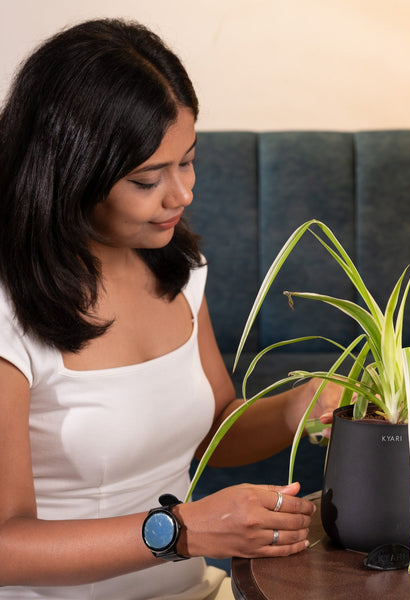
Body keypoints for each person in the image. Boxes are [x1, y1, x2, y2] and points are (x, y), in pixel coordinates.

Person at [0, 18, 340, 599]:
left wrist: (293, 408)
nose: (182, 194)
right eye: (147, 178)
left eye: (187, 160)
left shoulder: (176, 268)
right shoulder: (10, 311)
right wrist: (180, 531)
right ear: (68, 175)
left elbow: (213, 429)